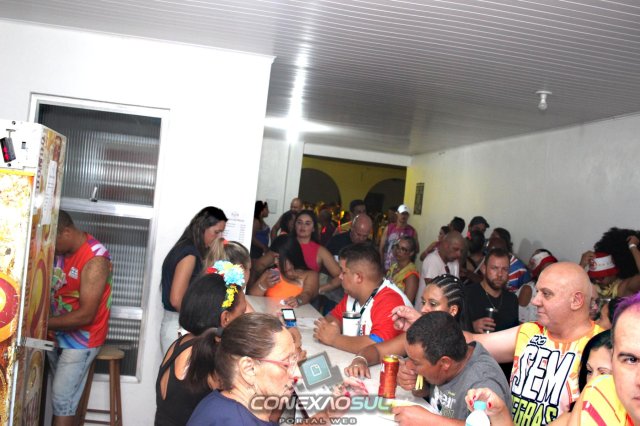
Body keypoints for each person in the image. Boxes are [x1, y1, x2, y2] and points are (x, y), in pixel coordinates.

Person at [396, 262, 604, 425]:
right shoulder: (531, 332)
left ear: (576, 300)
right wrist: (424, 323)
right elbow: (467, 341)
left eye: (546, 294)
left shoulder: (602, 349)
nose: (535, 300)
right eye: (538, 292)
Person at [187, 313, 365, 425]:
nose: (296, 374)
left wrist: (328, 413)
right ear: (249, 368)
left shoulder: (235, 406)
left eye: (295, 360)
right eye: (286, 363)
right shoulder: (236, 420)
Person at [156, 261, 248, 426]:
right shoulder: (210, 356)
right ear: (225, 318)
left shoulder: (183, 342)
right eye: (242, 314)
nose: (245, 320)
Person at [48, 210, 112, 426]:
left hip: (82, 339)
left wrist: (41, 323)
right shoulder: (61, 251)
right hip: (56, 334)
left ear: (66, 232)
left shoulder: (95, 259)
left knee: (62, 399)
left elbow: (86, 315)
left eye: (53, 240)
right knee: (61, 399)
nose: (51, 246)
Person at [391, 312, 511, 424]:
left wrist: (430, 422)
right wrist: (419, 386)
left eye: (415, 362)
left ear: (445, 363)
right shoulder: (449, 356)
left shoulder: (483, 383)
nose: (408, 365)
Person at [344, 274, 465, 378]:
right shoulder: (419, 334)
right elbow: (377, 350)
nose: (424, 309)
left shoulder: (466, 345)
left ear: (453, 310)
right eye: (423, 302)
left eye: (433, 304)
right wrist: (360, 360)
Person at [313, 243, 411, 353]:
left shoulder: (391, 300)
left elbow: (376, 347)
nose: (340, 277)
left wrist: (334, 339)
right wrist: (332, 328)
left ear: (358, 277)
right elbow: (332, 317)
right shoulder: (353, 294)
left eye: (343, 272)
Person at [160, 206, 227, 354]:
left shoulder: (187, 248)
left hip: (177, 325)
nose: (219, 238)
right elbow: (176, 300)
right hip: (178, 326)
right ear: (203, 227)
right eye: (216, 232)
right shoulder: (189, 254)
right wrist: (198, 322)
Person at [247, 235, 319, 308]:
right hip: (269, 314)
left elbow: (308, 294)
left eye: (278, 258)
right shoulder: (271, 273)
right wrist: (263, 285)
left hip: (296, 314)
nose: (275, 262)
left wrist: (298, 300)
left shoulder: (310, 275)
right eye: (274, 258)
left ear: (290, 256)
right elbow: (252, 297)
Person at [465, 248, 519, 335]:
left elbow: (514, 334)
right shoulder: (467, 294)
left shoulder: (512, 299)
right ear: (484, 269)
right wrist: (472, 326)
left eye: (504, 269)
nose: (500, 274)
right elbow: (450, 329)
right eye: (494, 268)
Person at [416, 230, 465, 310]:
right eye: (455, 249)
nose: (459, 254)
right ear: (445, 245)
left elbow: (456, 287)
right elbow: (434, 292)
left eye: (461, 251)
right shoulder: (432, 260)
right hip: (426, 311)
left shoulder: (454, 262)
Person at [516, 249, 557, 323]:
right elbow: (519, 322)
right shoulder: (528, 290)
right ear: (538, 273)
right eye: (545, 271)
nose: (550, 274)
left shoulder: (556, 291)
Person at [489, 229, 532, 293]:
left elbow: (526, 293)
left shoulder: (520, 269)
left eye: (494, 237)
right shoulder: (487, 260)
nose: (490, 238)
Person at [379, 204, 419, 271]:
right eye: (402, 213)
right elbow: (381, 248)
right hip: (388, 266)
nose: (404, 216)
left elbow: (416, 250)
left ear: (408, 216)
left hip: (403, 268)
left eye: (406, 214)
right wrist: (381, 264)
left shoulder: (412, 231)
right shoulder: (389, 228)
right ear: (397, 213)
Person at [386, 236, 420, 304]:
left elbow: (407, 303)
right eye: (398, 247)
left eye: (403, 249)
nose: (398, 251)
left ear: (411, 253)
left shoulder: (411, 275)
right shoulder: (393, 266)